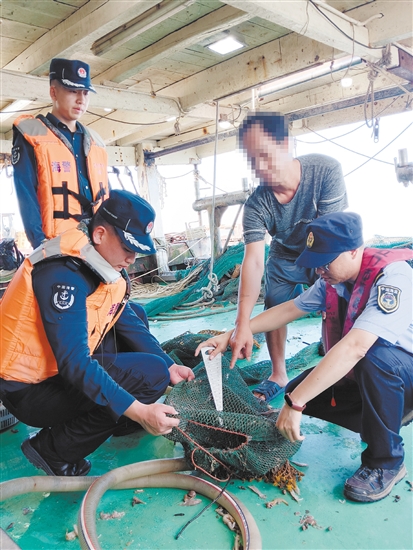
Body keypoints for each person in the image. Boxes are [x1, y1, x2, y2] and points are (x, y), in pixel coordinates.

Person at [196, 212, 413, 502]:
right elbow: (289, 309)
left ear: (354, 250)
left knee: (374, 359)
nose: (319, 270)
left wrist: (295, 404)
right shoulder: (332, 279)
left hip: (401, 369)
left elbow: (356, 347)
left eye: (326, 262)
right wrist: (233, 333)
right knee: (297, 389)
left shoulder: (393, 278)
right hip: (369, 372)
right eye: (316, 263)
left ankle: (386, 462)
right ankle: (386, 413)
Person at [0, 190, 194, 477]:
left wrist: (170, 364)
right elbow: (75, 363)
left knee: (139, 321)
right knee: (150, 375)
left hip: (53, 373)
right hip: (28, 390)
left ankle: (117, 418)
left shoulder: (100, 261)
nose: (132, 259)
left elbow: (127, 320)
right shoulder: (63, 273)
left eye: (137, 251)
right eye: (128, 248)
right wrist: (140, 410)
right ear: (100, 233)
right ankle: (53, 449)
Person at [234, 111, 348, 402]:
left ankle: (341, 368)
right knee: (274, 302)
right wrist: (242, 324)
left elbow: (332, 237)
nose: (259, 166)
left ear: (285, 143)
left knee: (337, 303)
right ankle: (278, 373)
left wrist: (327, 290)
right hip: (284, 257)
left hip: (326, 251)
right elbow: (255, 261)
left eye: (264, 154)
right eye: (251, 159)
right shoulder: (256, 205)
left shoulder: (325, 171)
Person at [12, 58, 110, 250]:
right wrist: (40, 244)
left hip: (100, 241)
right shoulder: (32, 134)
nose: (81, 100)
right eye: (73, 91)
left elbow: (107, 193)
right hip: (57, 243)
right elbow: (26, 194)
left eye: (85, 93)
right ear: (53, 92)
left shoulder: (95, 141)